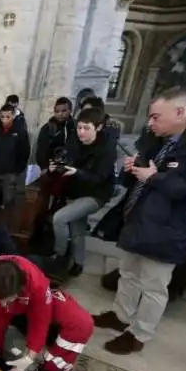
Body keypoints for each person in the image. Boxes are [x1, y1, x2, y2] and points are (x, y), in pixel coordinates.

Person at [93, 88, 186, 354]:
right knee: (129, 273)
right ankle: (120, 315)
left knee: (154, 285)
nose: (150, 123)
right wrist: (137, 167)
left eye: (156, 117)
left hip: (169, 229)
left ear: (180, 112)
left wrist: (154, 178)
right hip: (141, 220)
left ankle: (140, 334)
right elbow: (151, 171)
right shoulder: (162, 138)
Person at [44, 107, 117, 279]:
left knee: (59, 218)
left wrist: (77, 172)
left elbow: (100, 177)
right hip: (75, 191)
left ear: (98, 128)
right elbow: (68, 158)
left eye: (86, 128)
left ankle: (59, 255)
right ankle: (78, 263)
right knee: (77, 230)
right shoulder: (74, 140)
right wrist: (57, 166)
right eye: (79, 128)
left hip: (96, 194)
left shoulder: (107, 149)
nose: (81, 132)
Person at [0, 104, 30, 209]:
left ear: (13, 116)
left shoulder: (20, 132)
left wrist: (16, 170)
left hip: (9, 174)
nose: (5, 120)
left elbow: (24, 152)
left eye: (8, 117)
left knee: (8, 203)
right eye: (2, 117)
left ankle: (5, 224)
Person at [35, 97, 76, 169]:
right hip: (51, 168)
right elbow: (41, 152)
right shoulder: (47, 128)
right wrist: (45, 168)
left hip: (71, 169)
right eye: (57, 111)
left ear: (70, 110)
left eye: (64, 111)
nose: (60, 114)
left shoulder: (76, 127)